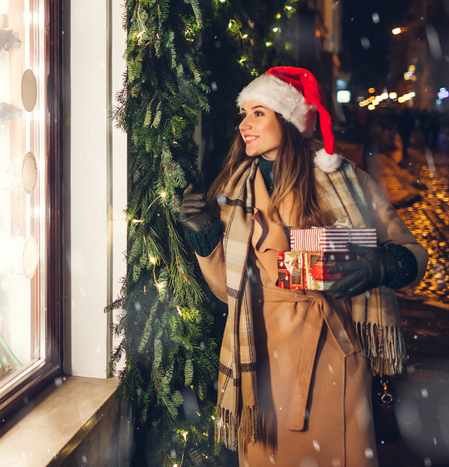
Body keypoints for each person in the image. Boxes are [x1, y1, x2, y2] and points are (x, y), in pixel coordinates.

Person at [179, 67, 428, 466]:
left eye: (258, 113)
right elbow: (226, 290)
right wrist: (205, 235)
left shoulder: (346, 181)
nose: (244, 124)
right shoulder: (231, 190)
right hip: (259, 356)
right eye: (243, 114)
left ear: (289, 119)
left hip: (334, 351)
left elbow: (413, 253)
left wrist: (382, 265)